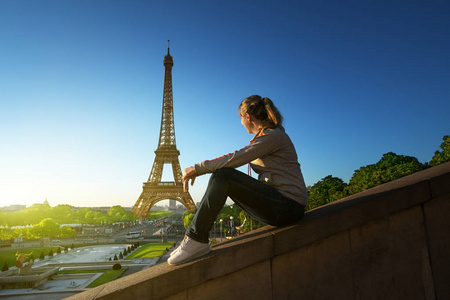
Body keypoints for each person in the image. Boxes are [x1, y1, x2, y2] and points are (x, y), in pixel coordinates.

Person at [168, 95, 308, 265]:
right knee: (223, 176)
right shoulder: (269, 136)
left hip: (289, 207)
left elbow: (235, 158)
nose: (241, 122)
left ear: (248, 117)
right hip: (283, 206)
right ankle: (195, 239)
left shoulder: (273, 136)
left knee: (223, 176)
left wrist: (198, 168)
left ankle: (196, 239)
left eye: (240, 118)